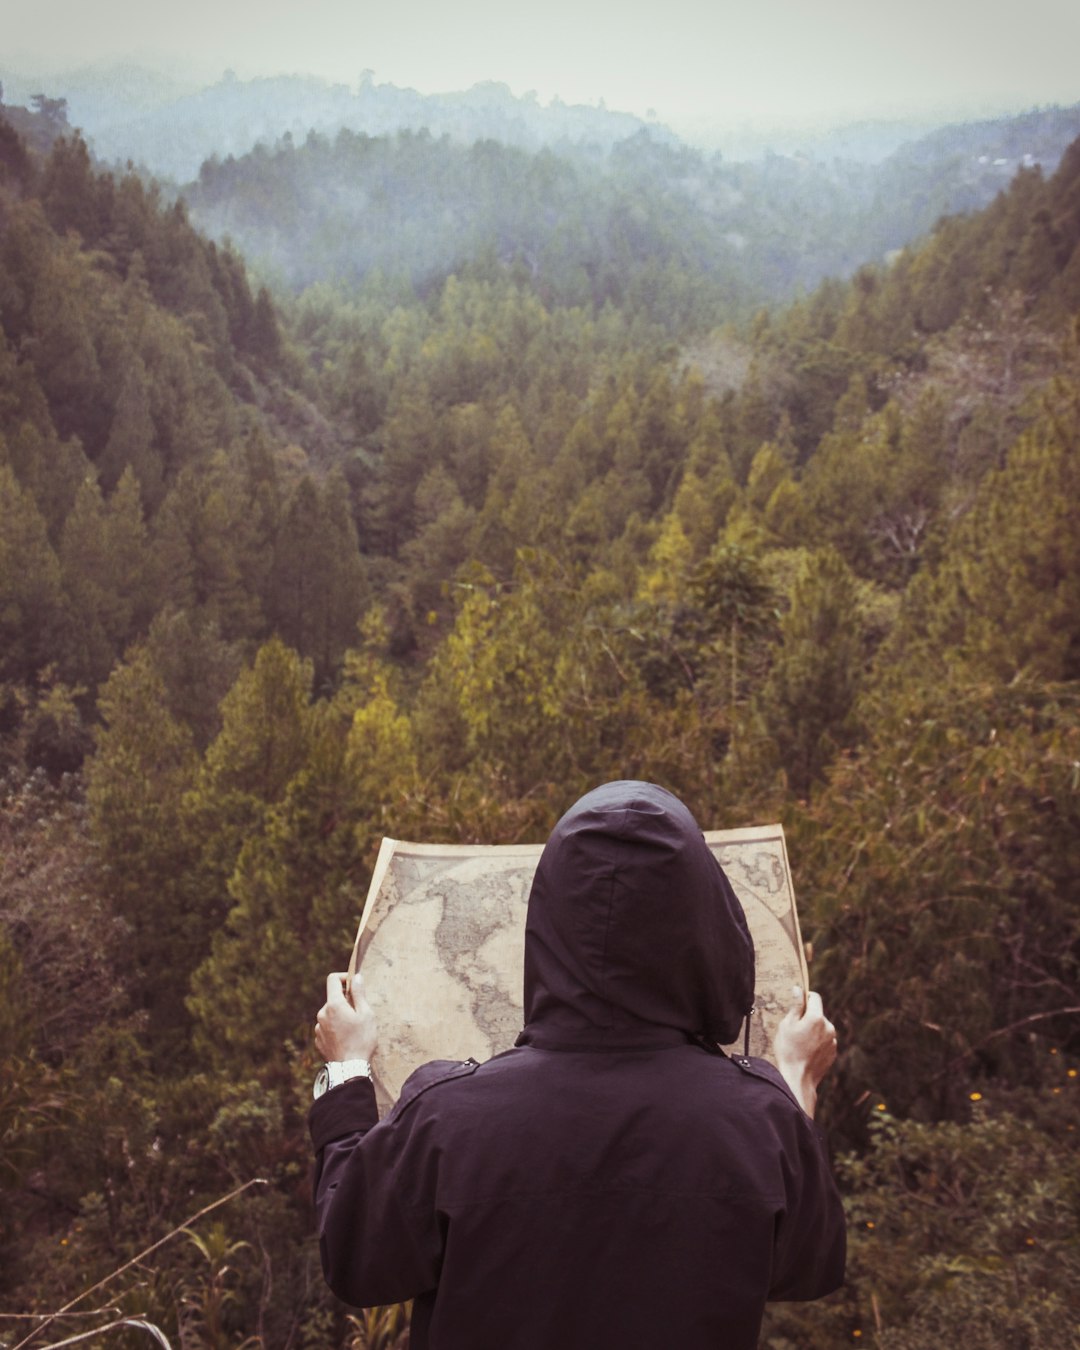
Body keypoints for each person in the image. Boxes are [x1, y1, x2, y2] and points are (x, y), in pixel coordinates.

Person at [310, 780, 845, 1348]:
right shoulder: (763, 1120)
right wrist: (795, 1083)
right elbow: (807, 1268)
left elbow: (356, 1260)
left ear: (547, 921)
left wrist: (345, 1070)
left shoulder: (444, 1116)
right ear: (709, 926)